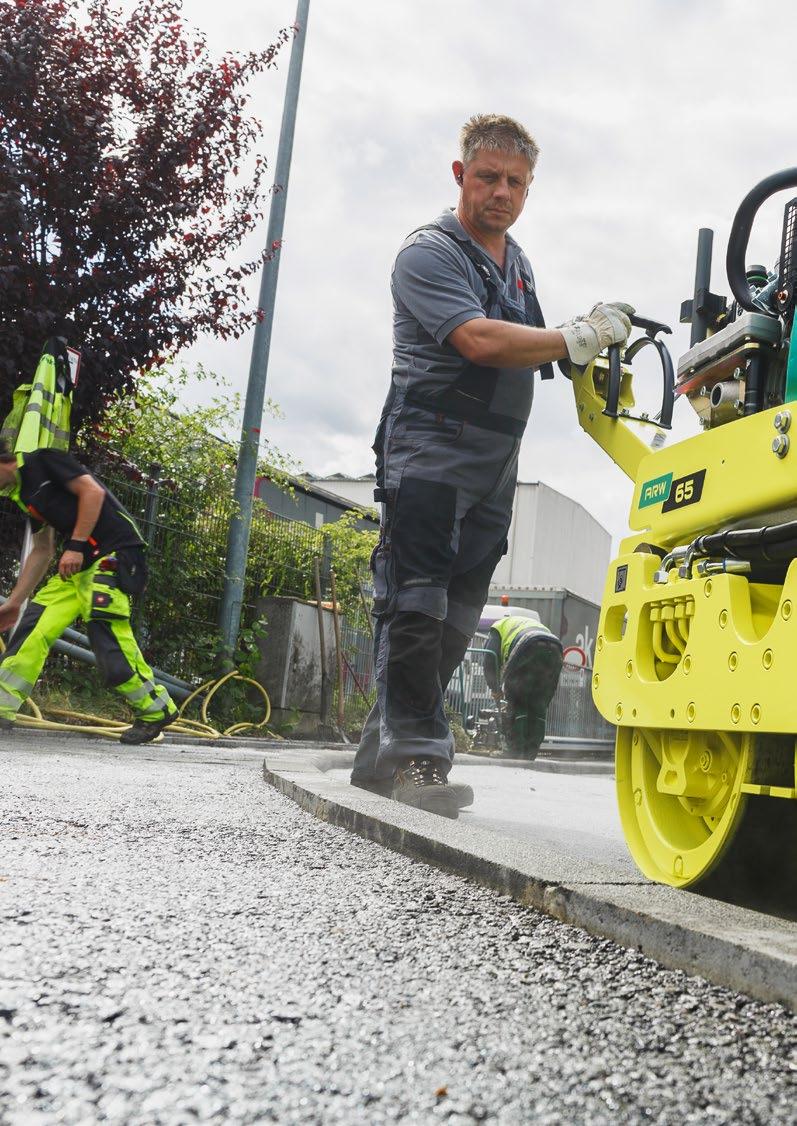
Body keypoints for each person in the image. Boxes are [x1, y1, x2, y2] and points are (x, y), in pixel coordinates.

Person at [350, 113, 632, 819]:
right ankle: (417, 758)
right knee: (414, 604)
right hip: (430, 451)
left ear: (528, 189)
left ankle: (377, 752)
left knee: (455, 618)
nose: (500, 191)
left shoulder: (517, 263)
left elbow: (536, 348)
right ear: (459, 176)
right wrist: (577, 334)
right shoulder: (429, 253)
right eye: (487, 177)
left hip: (494, 461)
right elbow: (478, 339)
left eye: (514, 181)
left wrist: (588, 345)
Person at [0, 444, 178, 743]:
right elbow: (43, 551)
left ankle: (155, 709)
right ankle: (2, 706)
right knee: (33, 626)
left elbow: (92, 492)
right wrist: (16, 602)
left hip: (112, 553)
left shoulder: (43, 461)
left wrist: (77, 545)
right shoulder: (24, 494)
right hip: (78, 565)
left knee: (105, 633)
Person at [482, 615, 564, 757]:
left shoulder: (497, 627)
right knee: (539, 704)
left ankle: (515, 751)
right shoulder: (527, 623)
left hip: (527, 645)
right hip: (555, 649)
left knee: (518, 701)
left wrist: (495, 688)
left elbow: (490, 658)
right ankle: (530, 753)